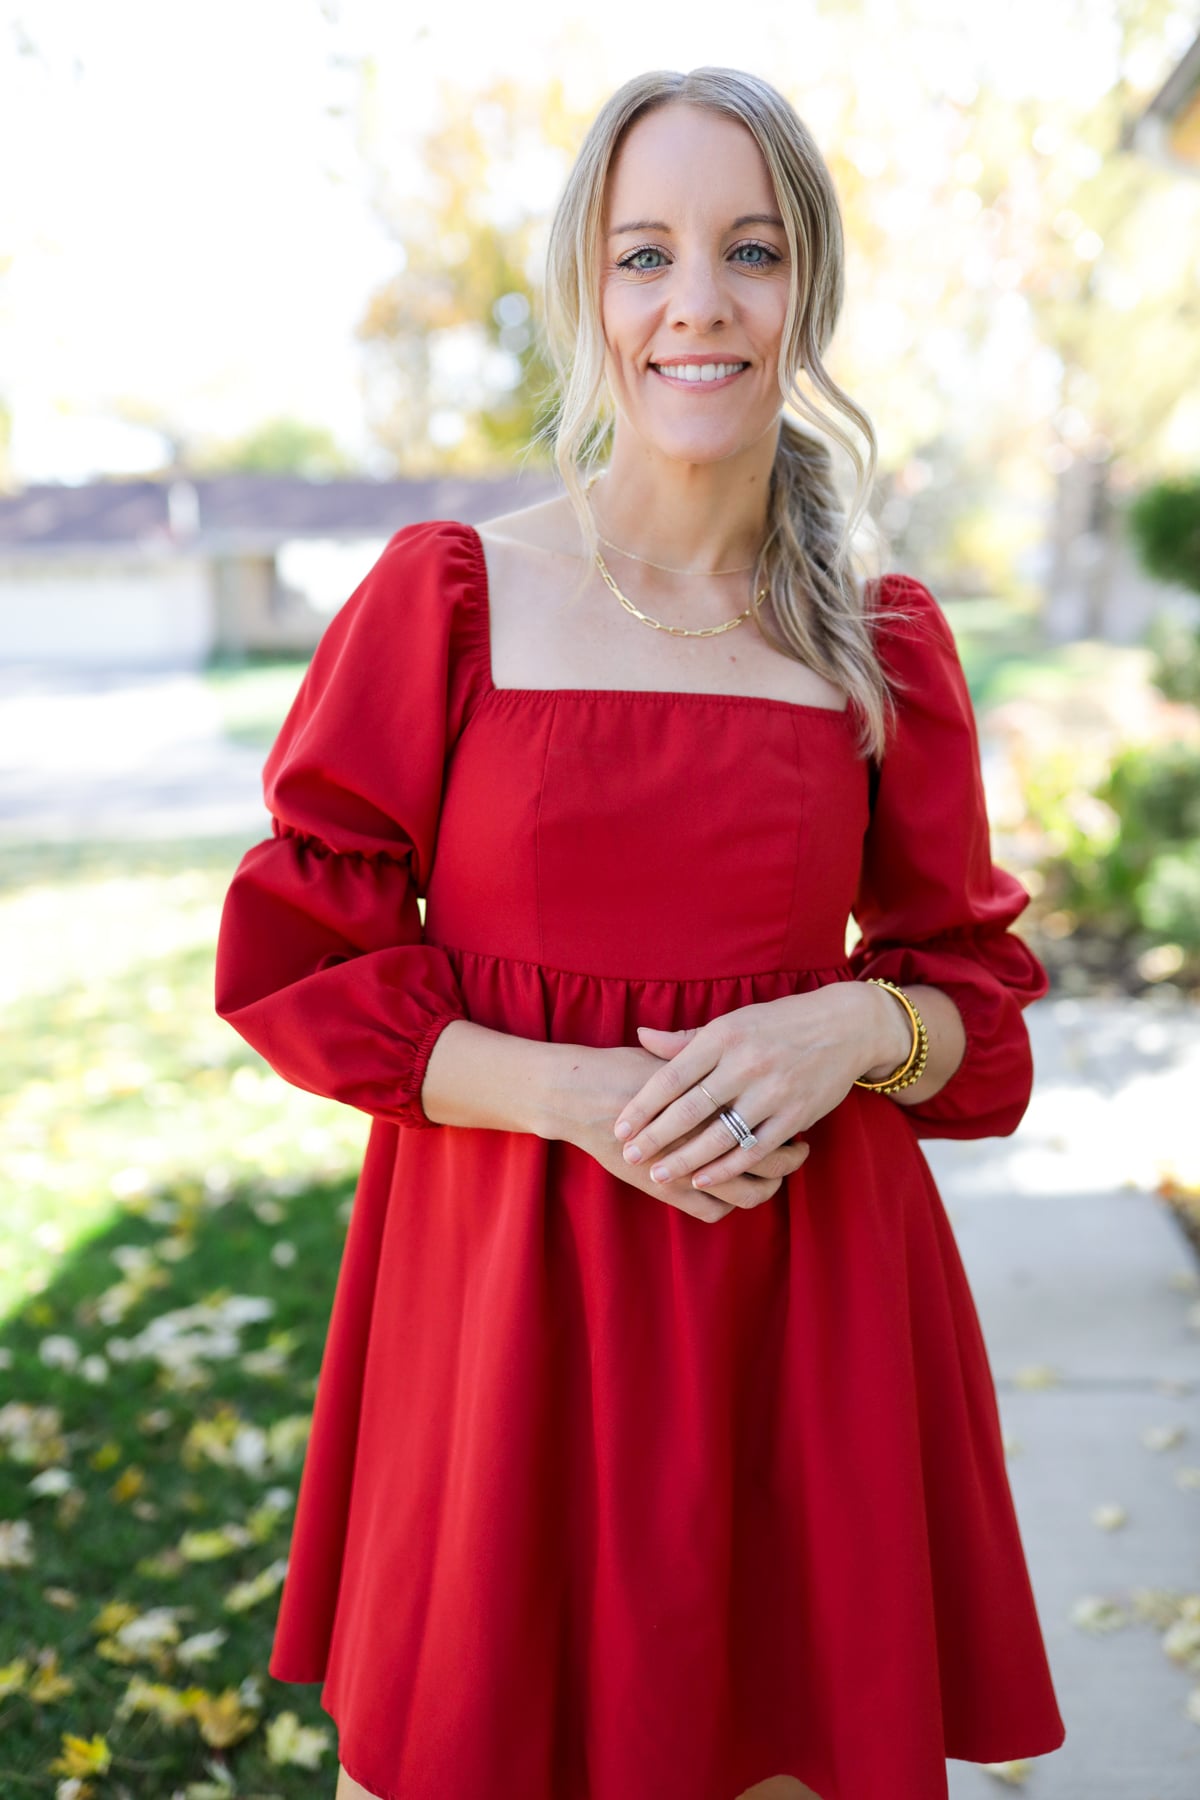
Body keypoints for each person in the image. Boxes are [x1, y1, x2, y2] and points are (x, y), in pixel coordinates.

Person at [214, 65, 1066, 1800]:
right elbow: (296, 961)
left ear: (805, 291)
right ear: (585, 296)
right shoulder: (450, 597)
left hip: (803, 1317)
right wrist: (578, 1096)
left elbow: (979, 1018)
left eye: (749, 251)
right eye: (644, 255)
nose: (699, 304)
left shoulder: (880, 644)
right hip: (502, 1311)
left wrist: (853, 1027)